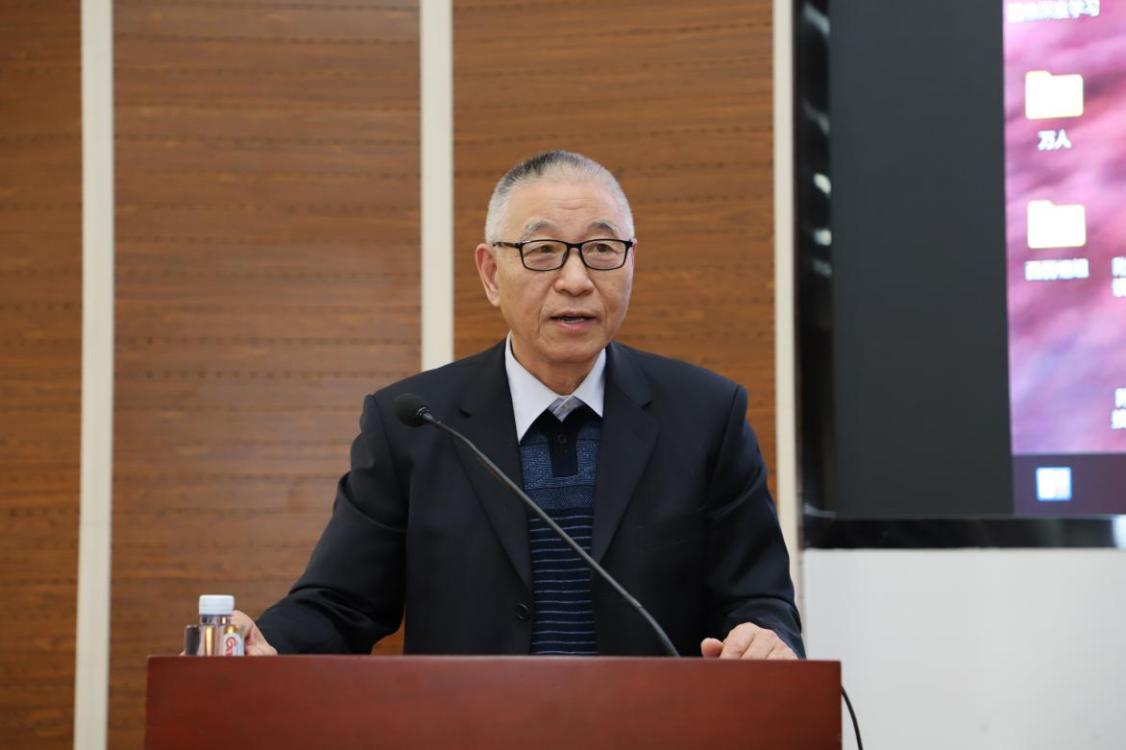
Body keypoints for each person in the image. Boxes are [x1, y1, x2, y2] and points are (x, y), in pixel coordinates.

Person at [239, 151, 803, 660]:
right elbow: (341, 605)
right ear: (491, 273)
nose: (576, 280)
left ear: (631, 264)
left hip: (649, 726)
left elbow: (758, 599)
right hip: (472, 726)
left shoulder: (707, 416)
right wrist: (264, 644)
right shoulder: (413, 424)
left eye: (602, 250)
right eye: (543, 252)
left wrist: (763, 635)